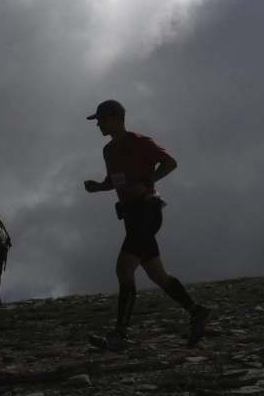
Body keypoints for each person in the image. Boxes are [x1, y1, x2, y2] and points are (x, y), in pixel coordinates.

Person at [82, 99, 209, 349]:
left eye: (101, 119)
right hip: (131, 215)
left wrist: (150, 180)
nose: (98, 125)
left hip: (146, 210)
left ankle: (119, 334)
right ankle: (197, 311)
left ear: (117, 117)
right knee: (157, 274)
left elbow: (170, 163)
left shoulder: (139, 142)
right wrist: (98, 187)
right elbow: (114, 181)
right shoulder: (108, 151)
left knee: (124, 268)